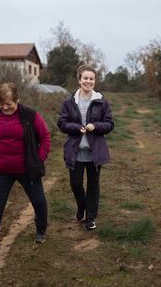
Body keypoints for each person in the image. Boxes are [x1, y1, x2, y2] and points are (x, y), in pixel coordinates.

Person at [0, 82, 51, 262]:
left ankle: (41, 229)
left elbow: (45, 137)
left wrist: (38, 160)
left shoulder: (31, 115)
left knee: (39, 201)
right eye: (1, 103)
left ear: (17, 99)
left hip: (27, 170)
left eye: (9, 103)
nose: (5, 107)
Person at [57, 65, 114, 230]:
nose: (88, 81)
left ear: (94, 81)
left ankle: (90, 217)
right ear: (79, 80)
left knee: (93, 185)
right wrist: (76, 127)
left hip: (94, 151)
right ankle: (82, 206)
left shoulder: (102, 101)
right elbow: (62, 122)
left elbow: (110, 124)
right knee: (75, 184)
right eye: (85, 78)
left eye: (91, 78)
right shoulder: (69, 101)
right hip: (75, 151)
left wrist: (95, 126)